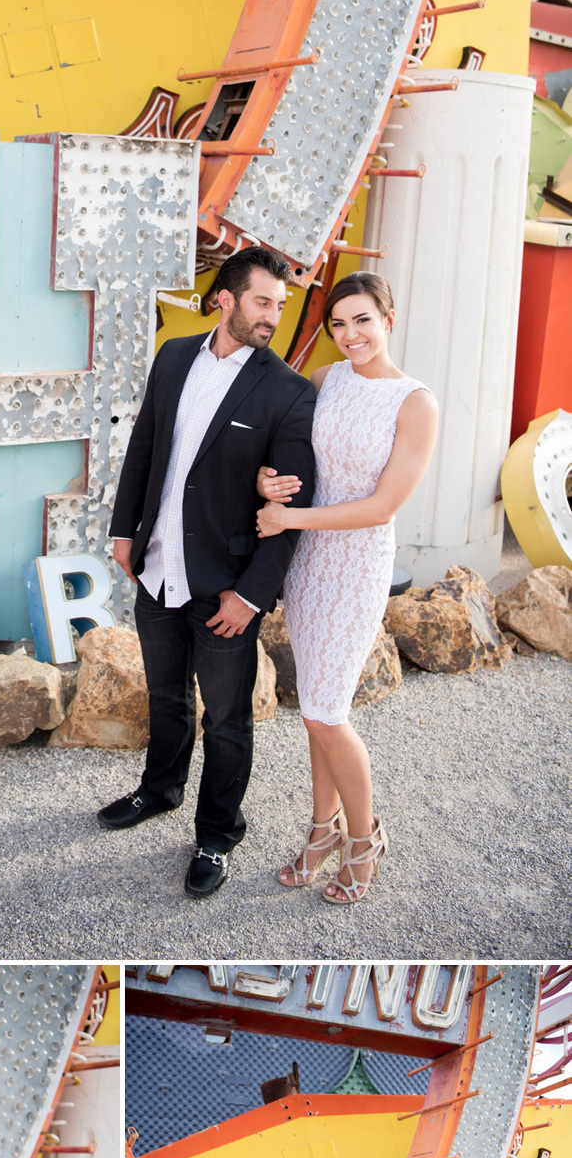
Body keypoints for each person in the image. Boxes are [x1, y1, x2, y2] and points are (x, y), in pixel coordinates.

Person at [101, 245, 317, 898]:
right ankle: (160, 790)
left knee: (226, 719)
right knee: (165, 697)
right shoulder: (172, 358)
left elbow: (292, 507)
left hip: (225, 587)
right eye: (261, 301)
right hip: (156, 567)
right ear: (224, 298)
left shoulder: (287, 391)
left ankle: (218, 836)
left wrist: (252, 597)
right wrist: (122, 531)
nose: (272, 316)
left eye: (279, 305)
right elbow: (145, 445)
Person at [255, 271, 439, 904]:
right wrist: (268, 483)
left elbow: (383, 505)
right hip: (306, 563)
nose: (350, 335)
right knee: (313, 712)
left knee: (329, 713)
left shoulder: (415, 403)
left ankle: (364, 840)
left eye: (362, 320)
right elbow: (289, 451)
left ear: (388, 316)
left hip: (356, 564)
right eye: (338, 324)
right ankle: (321, 829)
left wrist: (291, 517)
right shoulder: (327, 380)